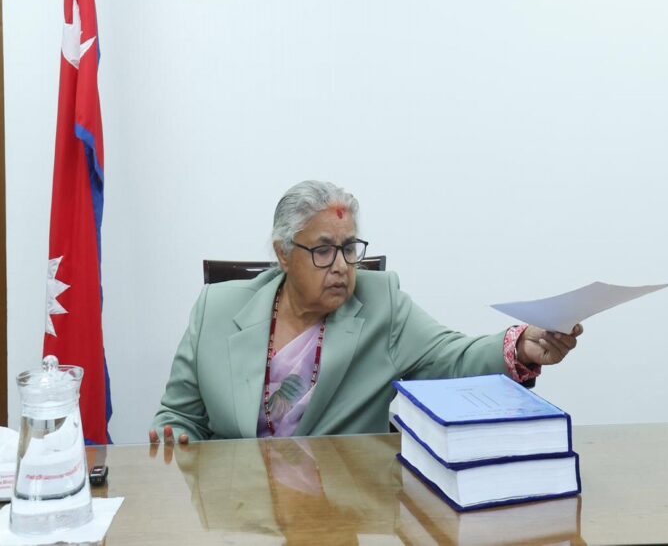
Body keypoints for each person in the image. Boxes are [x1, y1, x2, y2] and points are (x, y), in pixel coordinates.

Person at [150, 180, 582, 444]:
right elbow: (179, 416)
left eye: (349, 248)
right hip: (240, 513)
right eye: (323, 250)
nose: (341, 265)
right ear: (283, 254)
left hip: (341, 502)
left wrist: (520, 347)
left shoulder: (382, 305)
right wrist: (176, 440)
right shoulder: (216, 309)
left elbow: (454, 356)